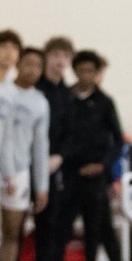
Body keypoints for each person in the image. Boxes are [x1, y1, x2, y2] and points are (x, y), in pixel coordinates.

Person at [58, 50, 123, 261]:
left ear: (96, 73)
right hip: (68, 174)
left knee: (95, 231)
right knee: (62, 229)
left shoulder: (105, 102)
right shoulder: (64, 98)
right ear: (74, 71)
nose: (86, 75)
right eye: (81, 70)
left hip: (94, 177)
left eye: (90, 71)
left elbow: (118, 140)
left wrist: (103, 166)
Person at [0, 48, 50, 261]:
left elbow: (40, 146)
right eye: (28, 63)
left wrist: (42, 186)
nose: (33, 70)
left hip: (20, 173)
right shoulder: (3, 92)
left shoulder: (40, 103)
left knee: (12, 234)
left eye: (38, 66)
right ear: (18, 64)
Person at [32, 37, 73, 261]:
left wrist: (60, 156)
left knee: (54, 227)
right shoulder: (34, 90)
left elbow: (72, 133)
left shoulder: (68, 95)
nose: (59, 60)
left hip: (55, 167)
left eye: (64, 56)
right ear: (46, 56)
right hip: (29, 165)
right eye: (55, 55)